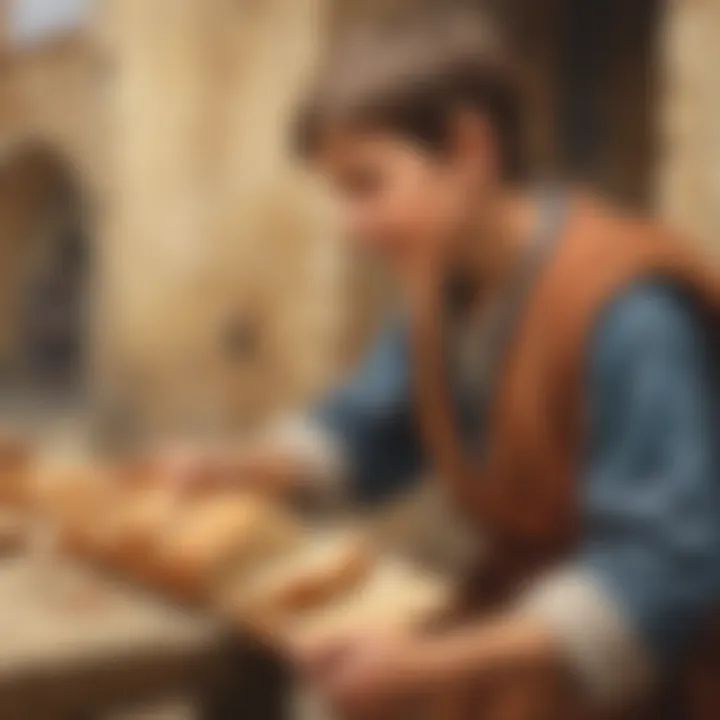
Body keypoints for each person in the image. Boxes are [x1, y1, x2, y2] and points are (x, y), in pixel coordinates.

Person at [157, 11, 720, 719]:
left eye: (367, 184)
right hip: (524, 617)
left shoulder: (627, 311)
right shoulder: (445, 290)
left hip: (661, 671)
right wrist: (234, 469)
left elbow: (667, 568)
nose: (352, 228)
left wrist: (433, 664)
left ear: (468, 147)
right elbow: (370, 429)